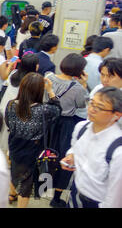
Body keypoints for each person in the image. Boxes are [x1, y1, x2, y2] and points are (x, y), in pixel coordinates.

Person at [6, 73, 61, 208]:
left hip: (14, 145)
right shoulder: (44, 110)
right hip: (32, 150)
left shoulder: (11, 104)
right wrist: (50, 91)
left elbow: (8, 122)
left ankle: (11, 193)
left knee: (14, 169)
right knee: (26, 182)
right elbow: (58, 110)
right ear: (39, 91)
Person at [62, 87, 122, 208]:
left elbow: (114, 198)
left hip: (96, 202)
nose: (91, 109)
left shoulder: (117, 150)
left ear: (116, 115)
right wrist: (71, 156)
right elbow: (74, 148)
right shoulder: (81, 127)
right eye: (91, 103)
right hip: (75, 194)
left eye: (99, 107)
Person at [46, 53, 89, 207]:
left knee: (45, 154)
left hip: (48, 122)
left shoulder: (49, 78)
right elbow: (81, 105)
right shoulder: (77, 87)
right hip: (65, 125)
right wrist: (84, 85)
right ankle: (56, 197)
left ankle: (42, 184)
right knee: (64, 158)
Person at [0, 53, 39, 151]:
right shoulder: (31, 81)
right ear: (33, 66)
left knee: (4, 132)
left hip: (5, 106)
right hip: (15, 111)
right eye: (37, 64)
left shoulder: (14, 73)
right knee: (10, 136)